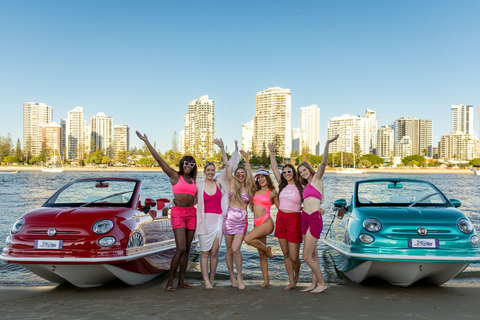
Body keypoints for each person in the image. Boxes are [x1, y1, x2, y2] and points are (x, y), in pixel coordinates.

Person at [136, 131, 197, 292]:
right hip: (178, 214)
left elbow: (195, 198)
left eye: (192, 164)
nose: (189, 166)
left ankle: (181, 282)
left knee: (187, 249)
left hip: (191, 214)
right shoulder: (174, 176)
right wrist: (147, 141)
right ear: (182, 164)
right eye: (186, 163)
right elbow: (158, 159)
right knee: (181, 248)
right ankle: (170, 283)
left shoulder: (193, 180)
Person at [195, 141, 241, 289]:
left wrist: (226, 150)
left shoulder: (219, 183)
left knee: (214, 253)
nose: (210, 172)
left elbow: (230, 167)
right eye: (208, 170)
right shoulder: (199, 186)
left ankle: (212, 278)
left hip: (218, 223)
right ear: (204, 172)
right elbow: (190, 199)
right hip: (204, 222)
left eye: (212, 170)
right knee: (204, 253)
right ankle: (206, 281)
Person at [297, 134, 339, 293]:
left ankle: (322, 283)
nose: (303, 173)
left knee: (306, 256)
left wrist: (327, 144)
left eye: (304, 170)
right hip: (304, 219)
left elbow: (323, 162)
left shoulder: (317, 179)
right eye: (300, 172)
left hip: (314, 219)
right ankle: (314, 284)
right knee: (313, 254)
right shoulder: (306, 186)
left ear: (309, 169)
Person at [214, 138, 253, 290]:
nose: (240, 175)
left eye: (242, 173)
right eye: (238, 173)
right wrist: (223, 148)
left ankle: (240, 276)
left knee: (236, 249)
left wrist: (247, 160)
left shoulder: (249, 187)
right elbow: (226, 165)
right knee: (229, 250)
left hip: (242, 222)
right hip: (229, 220)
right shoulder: (231, 184)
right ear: (236, 175)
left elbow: (251, 173)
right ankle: (231, 276)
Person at [268, 143, 305, 290]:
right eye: (284, 172)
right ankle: (291, 281)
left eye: (289, 171)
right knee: (286, 254)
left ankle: (297, 274)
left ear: (294, 172)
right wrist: (272, 152)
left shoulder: (301, 186)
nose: (286, 174)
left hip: (295, 220)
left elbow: (309, 201)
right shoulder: (282, 185)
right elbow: (274, 168)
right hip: (281, 219)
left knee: (295, 257)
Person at [244, 168, 279, 288]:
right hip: (256, 223)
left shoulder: (272, 192)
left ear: (267, 178)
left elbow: (282, 208)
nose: (260, 179)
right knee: (261, 255)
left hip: (267, 222)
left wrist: (300, 209)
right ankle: (266, 281)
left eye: (263, 177)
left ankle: (267, 249)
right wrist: (247, 159)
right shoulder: (255, 191)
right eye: (258, 178)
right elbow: (249, 172)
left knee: (247, 239)